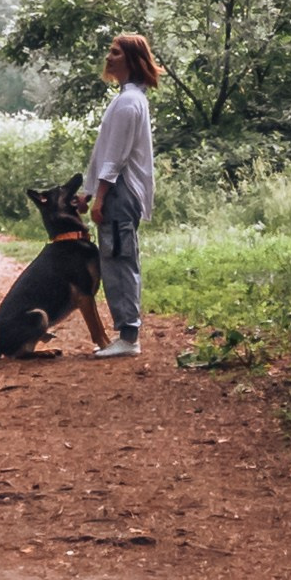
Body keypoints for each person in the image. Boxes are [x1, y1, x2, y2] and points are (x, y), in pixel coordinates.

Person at [85, 30, 161, 359]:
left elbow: (116, 157)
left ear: (132, 60)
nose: (109, 56)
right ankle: (126, 333)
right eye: (110, 51)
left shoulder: (129, 103)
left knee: (120, 259)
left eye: (116, 52)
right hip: (113, 190)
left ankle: (129, 337)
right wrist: (88, 192)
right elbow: (102, 152)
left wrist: (100, 196)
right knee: (114, 257)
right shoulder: (125, 99)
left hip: (120, 192)